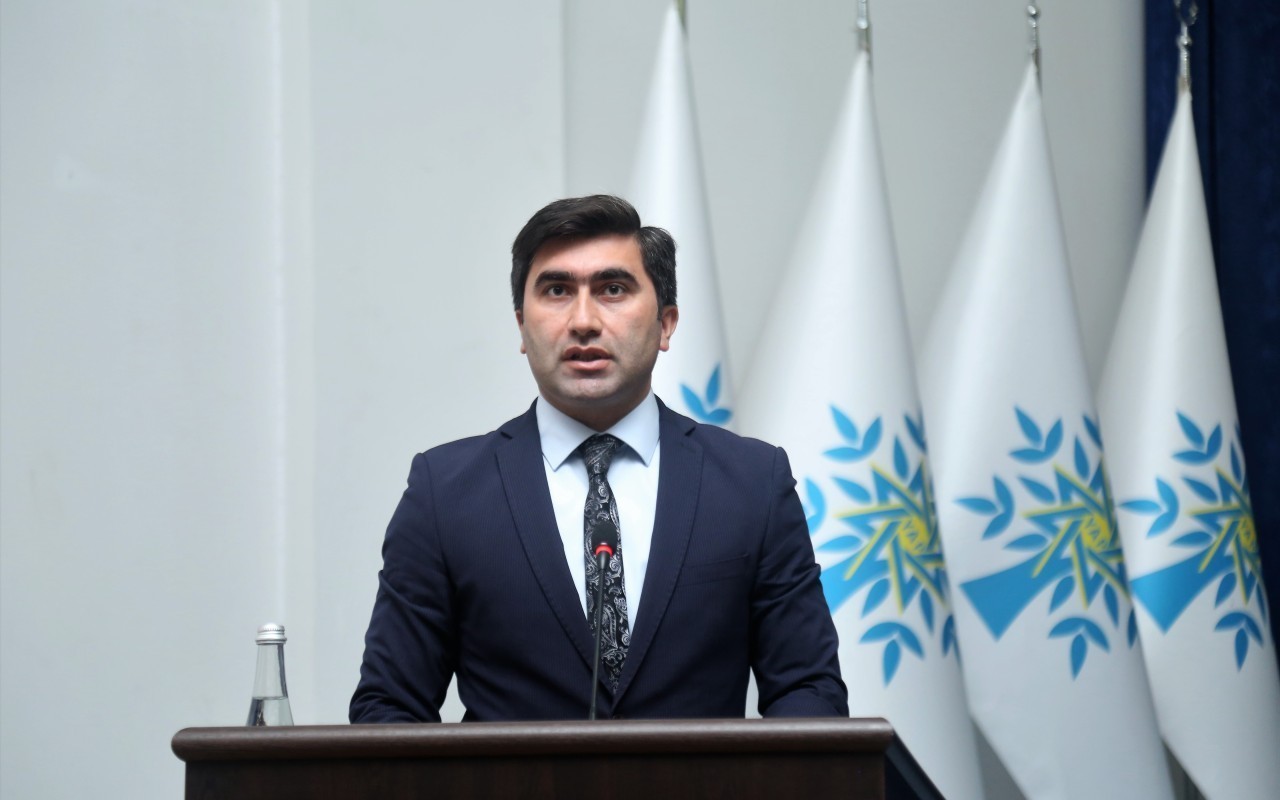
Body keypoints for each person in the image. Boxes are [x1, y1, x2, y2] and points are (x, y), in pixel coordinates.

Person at [350, 195, 846, 722]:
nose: (583, 321)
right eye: (557, 291)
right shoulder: (445, 492)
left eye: (612, 289)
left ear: (666, 324)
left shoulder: (752, 483)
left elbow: (808, 688)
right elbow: (389, 707)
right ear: (522, 327)